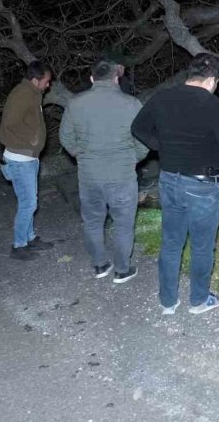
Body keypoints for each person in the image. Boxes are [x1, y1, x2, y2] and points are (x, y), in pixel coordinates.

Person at [131, 53, 219, 315]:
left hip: (169, 179)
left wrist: (162, 147)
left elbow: (138, 127)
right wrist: (217, 166)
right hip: (202, 185)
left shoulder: (162, 98)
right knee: (202, 246)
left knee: (171, 242)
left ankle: (168, 302)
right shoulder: (212, 106)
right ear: (212, 80)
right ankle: (199, 301)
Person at [60, 59, 148, 283]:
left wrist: (82, 155)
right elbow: (145, 140)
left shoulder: (75, 103)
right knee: (123, 223)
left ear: (92, 78)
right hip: (121, 174)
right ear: (116, 79)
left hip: (89, 175)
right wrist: (132, 159)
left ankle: (100, 265)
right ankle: (122, 269)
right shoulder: (131, 103)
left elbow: (66, 138)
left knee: (92, 221)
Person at [0, 60, 55, 260]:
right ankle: (19, 245)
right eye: (46, 81)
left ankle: (30, 238)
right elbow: (10, 123)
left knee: (30, 201)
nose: (48, 85)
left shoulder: (32, 93)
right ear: (35, 79)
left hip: (27, 158)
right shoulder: (22, 94)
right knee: (28, 203)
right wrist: (31, 139)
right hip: (20, 159)